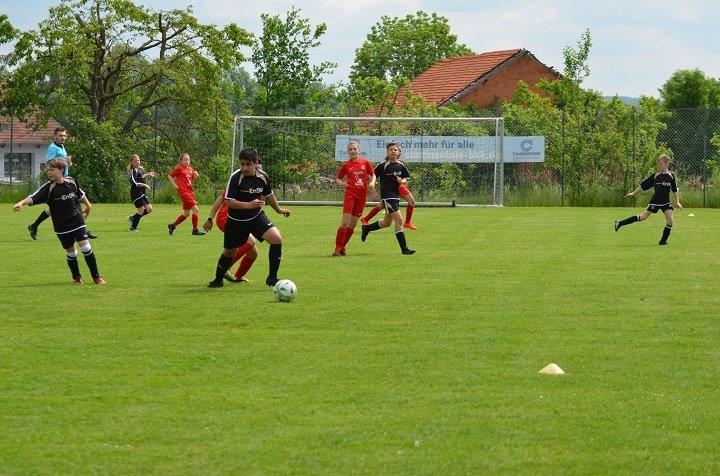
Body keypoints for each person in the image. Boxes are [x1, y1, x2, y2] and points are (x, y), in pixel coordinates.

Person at [13, 158, 106, 285]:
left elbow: (80, 194)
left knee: (86, 247)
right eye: (48, 170)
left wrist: (88, 206)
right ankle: (77, 277)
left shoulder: (71, 182)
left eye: (52, 170)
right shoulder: (49, 188)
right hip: (62, 227)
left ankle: (96, 277)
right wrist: (21, 203)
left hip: (78, 221)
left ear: (61, 170)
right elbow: (34, 197)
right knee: (72, 253)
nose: (49, 173)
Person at [207, 147, 290, 288]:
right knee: (229, 252)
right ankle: (218, 280)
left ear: (255, 163)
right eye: (242, 164)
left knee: (276, 238)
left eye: (248, 164)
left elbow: (269, 195)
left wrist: (279, 210)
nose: (244, 167)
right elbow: (229, 202)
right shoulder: (236, 177)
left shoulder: (263, 177)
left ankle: (272, 278)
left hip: (256, 217)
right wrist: (249, 205)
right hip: (236, 221)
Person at [27, 126, 99, 240]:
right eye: (60, 135)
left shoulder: (61, 147)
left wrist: (68, 163)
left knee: (55, 207)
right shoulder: (53, 147)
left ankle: (34, 226)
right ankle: (83, 230)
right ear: (55, 136)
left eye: (64, 135)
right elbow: (50, 163)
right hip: (58, 182)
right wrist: (65, 160)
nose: (62, 137)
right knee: (74, 203)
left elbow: (61, 163)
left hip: (65, 180)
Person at [360, 142, 416, 255]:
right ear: (387, 152)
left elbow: (406, 178)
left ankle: (367, 228)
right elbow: (373, 173)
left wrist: (403, 181)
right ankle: (404, 248)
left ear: (398, 152)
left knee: (386, 223)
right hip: (387, 197)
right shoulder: (384, 165)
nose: (393, 151)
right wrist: (372, 182)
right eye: (391, 150)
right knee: (399, 220)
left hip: (395, 196)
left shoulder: (401, 165)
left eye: (395, 150)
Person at [614, 154, 682, 245]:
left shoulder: (671, 176)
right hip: (655, 201)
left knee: (670, 221)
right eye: (658, 164)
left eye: (660, 163)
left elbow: (675, 189)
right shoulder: (655, 176)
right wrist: (634, 193)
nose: (658, 165)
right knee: (642, 217)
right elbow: (643, 185)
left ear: (667, 164)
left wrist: (677, 202)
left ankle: (662, 242)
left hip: (666, 202)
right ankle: (620, 223)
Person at [203, 188, 259, 283]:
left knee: (253, 253)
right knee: (250, 241)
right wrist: (210, 218)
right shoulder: (237, 181)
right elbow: (220, 199)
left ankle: (237, 277)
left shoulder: (256, 183)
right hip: (227, 218)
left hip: (239, 219)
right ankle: (225, 268)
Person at [333, 140, 375, 256]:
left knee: (353, 224)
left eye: (354, 149)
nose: (352, 151)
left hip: (361, 197)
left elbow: (373, 175)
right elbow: (338, 178)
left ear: (358, 150)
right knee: (345, 223)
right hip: (350, 195)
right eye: (350, 149)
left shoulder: (365, 163)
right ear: (348, 151)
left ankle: (343, 247)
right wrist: (342, 184)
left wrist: (372, 183)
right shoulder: (346, 165)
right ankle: (337, 248)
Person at [167, 152, 205, 236]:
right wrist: (174, 184)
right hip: (184, 193)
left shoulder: (190, 169)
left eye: (188, 159)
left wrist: (196, 175)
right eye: (185, 160)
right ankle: (195, 230)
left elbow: (191, 180)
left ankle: (172, 226)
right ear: (181, 161)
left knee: (186, 214)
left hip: (190, 192)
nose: (187, 161)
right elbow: (169, 176)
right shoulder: (179, 168)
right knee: (196, 210)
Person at [128, 154, 156, 232]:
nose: (137, 162)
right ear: (131, 162)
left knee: (149, 209)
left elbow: (141, 176)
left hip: (142, 192)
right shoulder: (133, 170)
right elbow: (135, 182)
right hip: (136, 193)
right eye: (135, 161)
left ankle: (133, 218)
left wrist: (148, 174)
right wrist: (145, 185)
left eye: (138, 160)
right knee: (141, 210)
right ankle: (133, 228)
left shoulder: (141, 168)